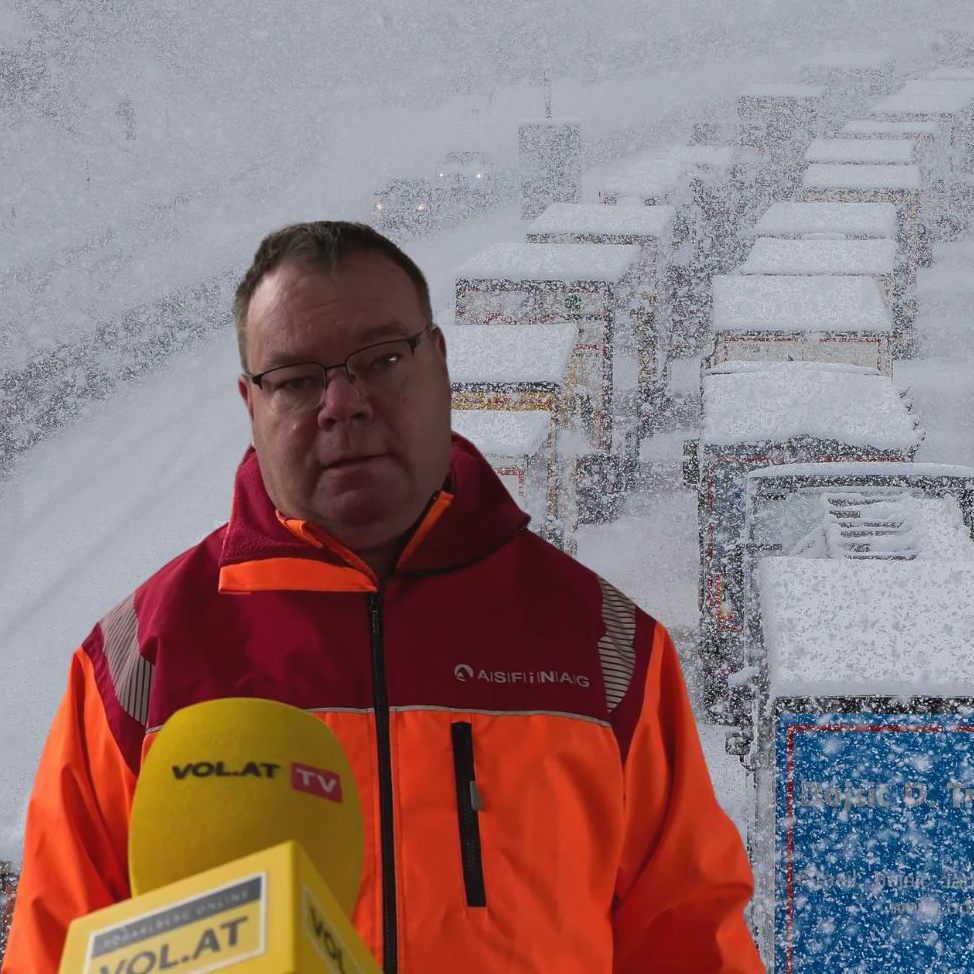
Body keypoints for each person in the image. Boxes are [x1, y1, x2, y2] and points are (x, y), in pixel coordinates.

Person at [2, 221, 763, 974]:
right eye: (297, 379)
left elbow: (689, 944)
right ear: (250, 404)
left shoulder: (604, 649)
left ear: (439, 364)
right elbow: (55, 950)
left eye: (382, 359)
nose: (343, 403)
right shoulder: (140, 661)